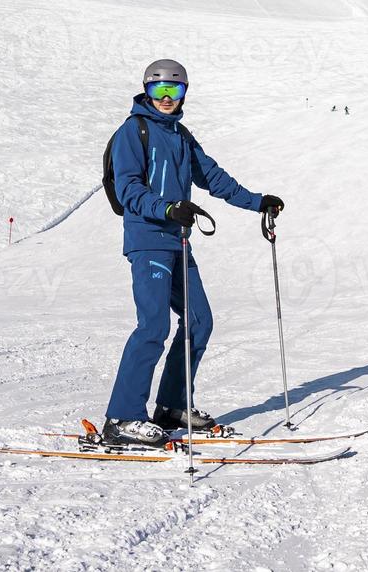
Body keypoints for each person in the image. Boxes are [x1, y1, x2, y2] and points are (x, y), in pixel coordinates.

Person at [102, 59, 283, 446]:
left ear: (185, 92)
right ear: (146, 91)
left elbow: (213, 177)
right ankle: (122, 417)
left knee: (199, 321)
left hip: (178, 240)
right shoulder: (132, 132)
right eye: (159, 91)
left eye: (175, 90)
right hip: (148, 238)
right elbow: (128, 189)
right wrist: (166, 209)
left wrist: (258, 202)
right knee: (153, 326)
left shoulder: (181, 135)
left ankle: (171, 406)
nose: (167, 98)